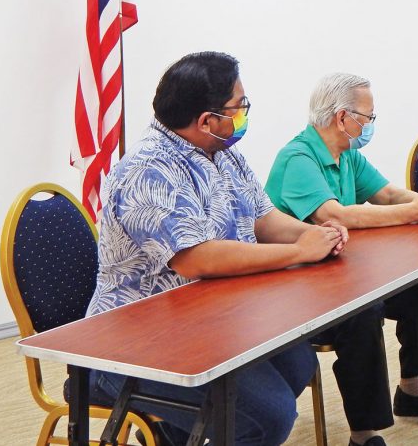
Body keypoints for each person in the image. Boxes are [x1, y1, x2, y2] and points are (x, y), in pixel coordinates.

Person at [85, 52, 340, 445]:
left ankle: (173, 435)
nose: (244, 113)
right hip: (135, 341)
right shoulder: (148, 168)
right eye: (240, 106)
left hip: (209, 319)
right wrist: (299, 252)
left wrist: (316, 236)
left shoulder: (222, 152)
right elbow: (196, 257)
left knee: (297, 363)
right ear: (206, 121)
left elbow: (263, 218)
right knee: (267, 417)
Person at [266, 73, 418, 446]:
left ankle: (413, 389)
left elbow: (388, 195)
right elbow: (334, 216)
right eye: (368, 117)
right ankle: (365, 433)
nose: (371, 124)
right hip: (295, 289)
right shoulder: (297, 158)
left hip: (338, 272)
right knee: (364, 312)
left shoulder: (347, 156)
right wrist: (414, 212)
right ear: (343, 118)